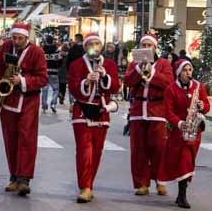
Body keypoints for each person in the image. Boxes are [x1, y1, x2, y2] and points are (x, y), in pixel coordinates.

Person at [0, 22, 48, 196]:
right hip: (8, 98)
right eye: (14, 37)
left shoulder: (36, 52)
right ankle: (14, 177)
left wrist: (22, 81)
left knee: (27, 139)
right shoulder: (6, 47)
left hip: (28, 100)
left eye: (20, 38)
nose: (16, 41)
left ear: (27, 37)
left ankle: (24, 179)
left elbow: (43, 78)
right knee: (10, 139)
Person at [68, 33, 120, 203]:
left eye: (98, 43)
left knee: (96, 151)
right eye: (91, 44)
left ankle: (89, 185)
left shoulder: (110, 64)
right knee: (84, 151)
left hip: (102, 110)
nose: (95, 46)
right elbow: (73, 88)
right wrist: (85, 81)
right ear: (85, 47)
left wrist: (105, 77)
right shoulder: (76, 64)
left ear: (101, 46)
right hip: (82, 109)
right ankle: (84, 187)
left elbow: (115, 87)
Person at [124, 33, 174, 196]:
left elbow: (168, 83)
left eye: (149, 45)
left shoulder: (164, 64)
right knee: (138, 150)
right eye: (143, 45)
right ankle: (141, 183)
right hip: (138, 111)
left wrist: (151, 73)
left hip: (157, 112)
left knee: (159, 148)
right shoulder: (134, 64)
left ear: (155, 47)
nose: (146, 48)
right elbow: (128, 81)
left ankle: (160, 180)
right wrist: (139, 69)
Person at [158, 59, 211, 209]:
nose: (189, 73)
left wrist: (202, 106)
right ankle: (182, 195)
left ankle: (181, 194)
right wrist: (180, 123)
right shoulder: (171, 90)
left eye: (190, 70)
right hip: (178, 132)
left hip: (195, 130)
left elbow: (207, 106)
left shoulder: (198, 87)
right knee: (184, 161)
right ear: (178, 73)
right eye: (185, 70)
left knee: (189, 161)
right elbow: (168, 112)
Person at [42, 35, 61, 113]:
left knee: (44, 89)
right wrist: (56, 65)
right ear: (52, 41)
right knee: (56, 89)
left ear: (46, 41)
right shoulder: (56, 51)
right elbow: (60, 61)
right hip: (54, 72)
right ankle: (53, 104)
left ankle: (44, 105)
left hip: (44, 72)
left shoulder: (42, 50)